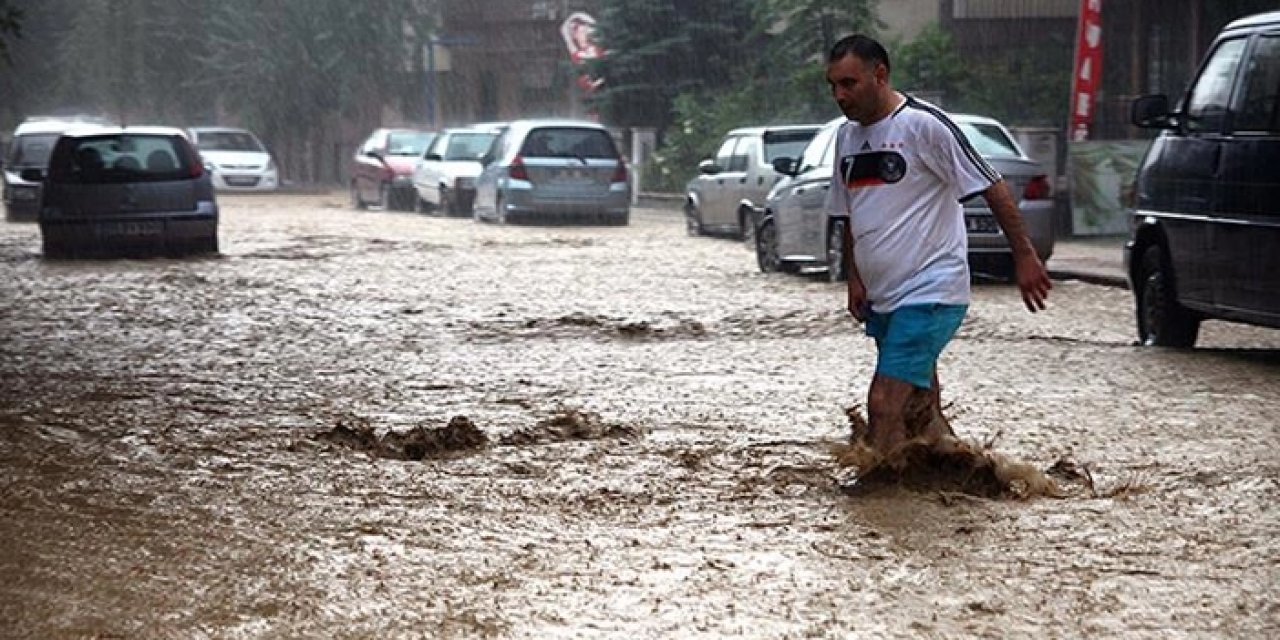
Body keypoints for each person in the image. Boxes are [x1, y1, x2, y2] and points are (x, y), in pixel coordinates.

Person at [823, 34, 1052, 456]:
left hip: (931, 290)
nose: (839, 95)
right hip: (884, 296)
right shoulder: (845, 139)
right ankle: (957, 476)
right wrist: (854, 278)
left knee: (883, 403)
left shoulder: (923, 125)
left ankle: (884, 508)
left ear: (880, 74)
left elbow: (993, 186)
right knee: (919, 408)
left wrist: (1024, 254)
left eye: (849, 83)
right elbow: (852, 214)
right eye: (833, 85)